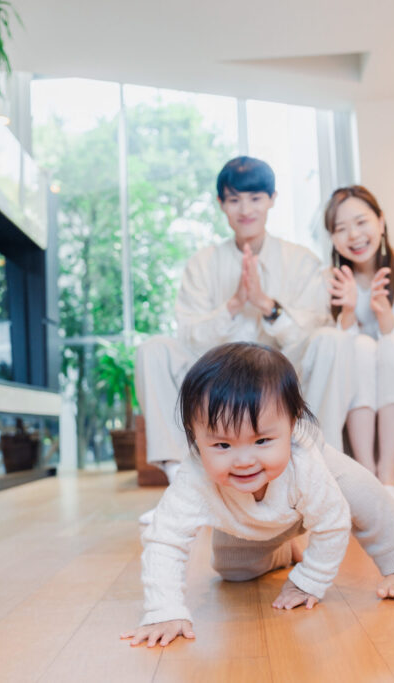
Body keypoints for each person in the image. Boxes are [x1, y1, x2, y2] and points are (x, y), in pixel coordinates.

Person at [122, 342, 394, 648]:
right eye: (223, 445)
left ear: (292, 425)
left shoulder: (306, 463)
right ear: (194, 435)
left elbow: (332, 524)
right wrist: (164, 610)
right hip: (254, 514)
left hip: (316, 491)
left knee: (362, 490)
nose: (244, 461)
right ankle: (283, 551)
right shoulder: (194, 478)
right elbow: (165, 540)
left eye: (262, 440)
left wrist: (309, 581)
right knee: (232, 570)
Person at [134, 157, 354, 523]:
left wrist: (267, 305)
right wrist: (234, 304)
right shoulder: (202, 263)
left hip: (284, 377)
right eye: (234, 200)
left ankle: (322, 474)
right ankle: (182, 488)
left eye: (255, 198)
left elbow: (309, 333)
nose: (246, 209)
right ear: (221, 204)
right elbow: (189, 335)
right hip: (216, 378)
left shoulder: (302, 261)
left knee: (332, 340)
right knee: (153, 349)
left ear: (272, 199)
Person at [324, 186, 394, 511]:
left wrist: (384, 315)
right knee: (359, 345)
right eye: (341, 228)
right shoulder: (330, 280)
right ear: (332, 238)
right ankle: (366, 477)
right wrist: (347, 312)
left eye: (361, 222)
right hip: (357, 377)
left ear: (381, 222)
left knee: (393, 345)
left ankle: (389, 477)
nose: (354, 235)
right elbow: (336, 354)